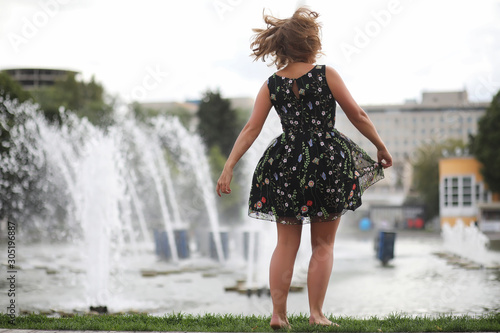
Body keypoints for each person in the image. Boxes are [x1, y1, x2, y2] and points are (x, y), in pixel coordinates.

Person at [216, 6, 392, 329]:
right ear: (310, 42)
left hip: (286, 164)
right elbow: (358, 116)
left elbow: (250, 130)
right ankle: (316, 313)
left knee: (285, 244)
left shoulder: (272, 84)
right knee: (323, 245)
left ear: (282, 46)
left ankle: (278, 315)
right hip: (326, 161)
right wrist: (379, 145)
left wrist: (229, 166)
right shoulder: (326, 74)